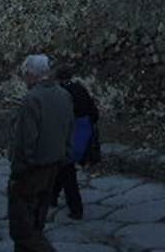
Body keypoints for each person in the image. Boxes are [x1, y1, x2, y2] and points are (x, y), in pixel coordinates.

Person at [7, 54, 74, 252]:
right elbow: (69, 130)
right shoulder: (64, 95)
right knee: (37, 222)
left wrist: (18, 171)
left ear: (32, 75)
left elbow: (26, 141)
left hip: (32, 170)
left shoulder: (32, 99)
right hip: (54, 167)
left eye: (25, 75)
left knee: (23, 230)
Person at [50, 64, 100, 220]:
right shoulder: (79, 88)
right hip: (84, 133)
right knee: (62, 168)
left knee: (66, 170)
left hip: (70, 134)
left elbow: (59, 117)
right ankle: (52, 197)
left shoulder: (61, 93)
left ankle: (76, 208)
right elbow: (94, 113)